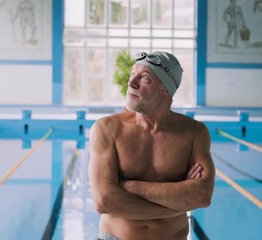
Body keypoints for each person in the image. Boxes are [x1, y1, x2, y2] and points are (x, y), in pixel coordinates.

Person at [88, 51, 215, 240]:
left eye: (144, 77)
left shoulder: (194, 134)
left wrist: (132, 187)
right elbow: (104, 201)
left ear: (166, 90)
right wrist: (178, 203)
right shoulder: (108, 129)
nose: (131, 83)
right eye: (133, 74)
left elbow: (202, 195)